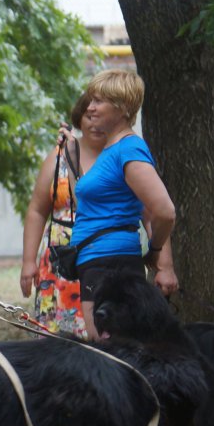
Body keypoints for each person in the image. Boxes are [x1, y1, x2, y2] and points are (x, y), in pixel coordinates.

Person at [70, 69, 178, 340]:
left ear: (123, 108)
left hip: (110, 265)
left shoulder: (128, 149)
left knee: (112, 352)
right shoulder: (113, 149)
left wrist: (157, 254)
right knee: (115, 350)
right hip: (98, 262)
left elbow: (163, 212)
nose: (90, 108)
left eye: (98, 101)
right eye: (90, 100)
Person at [20, 93, 104, 337]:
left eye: (101, 116)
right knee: (55, 341)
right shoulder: (59, 156)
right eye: (89, 116)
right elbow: (37, 210)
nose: (95, 123)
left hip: (102, 257)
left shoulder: (119, 156)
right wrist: (28, 262)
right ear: (79, 118)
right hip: (59, 261)